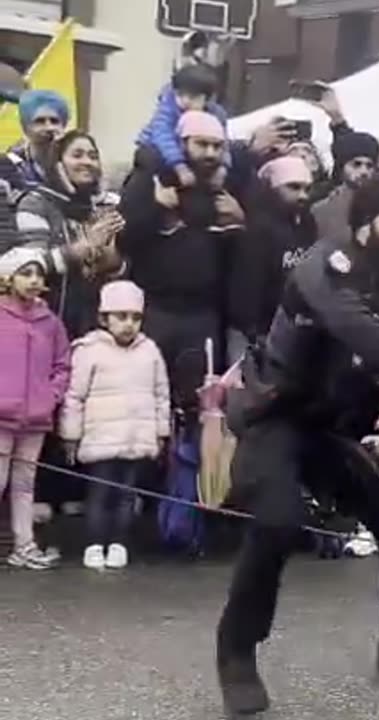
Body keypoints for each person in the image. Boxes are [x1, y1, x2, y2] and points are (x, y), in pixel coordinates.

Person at [215, 177, 379, 715]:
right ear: (365, 224)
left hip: (339, 429)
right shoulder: (322, 265)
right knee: (277, 523)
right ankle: (236, 654)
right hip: (277, 417)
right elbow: (351, 325)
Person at [118, 110, 245, 407]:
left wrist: (241, 220)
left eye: (217, 146)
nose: (211, 153)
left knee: (198, 400)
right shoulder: (150, 181)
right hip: (155, 309)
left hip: (204, 315)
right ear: (181, 143)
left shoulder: (226, 188)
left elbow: (240, 255)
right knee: (144, 396)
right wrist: (156, 208)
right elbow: (124, 239)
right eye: (202, 144)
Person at [60, 280, 170, 571]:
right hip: (101, 439)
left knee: (126, 495)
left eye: (135, 318)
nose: (129, 324)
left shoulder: (150, 352)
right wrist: (71, 435)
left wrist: (161, 432)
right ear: (104, 318)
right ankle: (95, 543)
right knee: (100, 495)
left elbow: (161, 395)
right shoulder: (89, 350)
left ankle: (119, 542)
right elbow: (75, 396)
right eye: (121, 316)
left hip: (135, 438)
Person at [12, 130, 125, 337]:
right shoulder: (36, 203)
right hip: (42, 328)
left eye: (93, 156)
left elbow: (115, 270)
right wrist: (83, 248)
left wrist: (114, 262)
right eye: (77, 155)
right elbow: (29, 266)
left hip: (92, 331)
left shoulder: (99, 208)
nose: (87, 162)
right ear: (58, 164)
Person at [0, 247, 70, 570]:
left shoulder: (50, 323)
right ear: (8, 278)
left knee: (25, 484)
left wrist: (50, 396)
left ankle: (24, 544)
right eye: (25, 273)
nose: (33, 280)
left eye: (37, 274)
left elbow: (62, 365)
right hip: (2, 417)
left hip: (35, 419)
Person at [228, 156, 317, 359]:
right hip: (253, 333)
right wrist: (253, 330)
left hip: (291, 329)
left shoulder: (307, 223)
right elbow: (246, 285)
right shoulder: (256, 227)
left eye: (307, 188)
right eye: (293, 187)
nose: (303, 195)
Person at [136, 63, 229, 189]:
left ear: (207, 99)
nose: (185, 101)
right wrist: (179, 166)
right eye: (180, 95)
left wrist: (223, 166)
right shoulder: (168, 109)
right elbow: (163, 136)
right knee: (148, 157)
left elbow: (223, 142)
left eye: (193, 97)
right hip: (157, 147)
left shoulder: (216, 114)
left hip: (190, 153)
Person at [312, 131, 379, 241]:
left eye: (369, 166)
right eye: (356, 164)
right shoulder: (321, 209)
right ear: (341, 167)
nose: (364, 171)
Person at [6, 89, 69, 189]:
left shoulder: (75, 162)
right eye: (40, 121)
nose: (49, 128)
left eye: (54, 121)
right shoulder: (9, 164)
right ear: (25, 127)